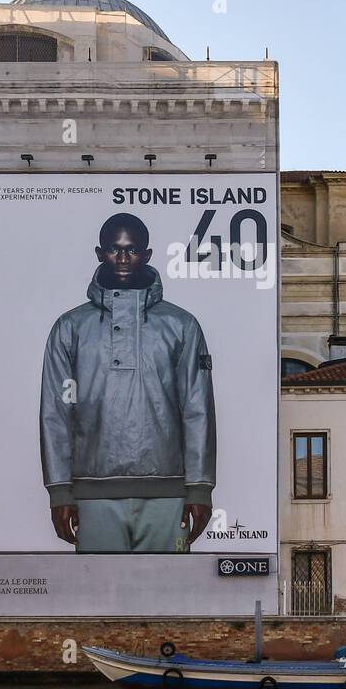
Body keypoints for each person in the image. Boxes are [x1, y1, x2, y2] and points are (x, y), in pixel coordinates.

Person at [40, 212, 216, 553]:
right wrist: (59, 490)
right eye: (113, 249)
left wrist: (199, 488)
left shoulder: (182, 325)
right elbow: (57, 413)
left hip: (169, 495)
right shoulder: (70, 327)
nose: (122, 258)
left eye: (132, 249)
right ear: (99, 252)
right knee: (99, 602)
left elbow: (197, 409)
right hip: (92, 493)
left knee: (171, 600)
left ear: (147, 254)